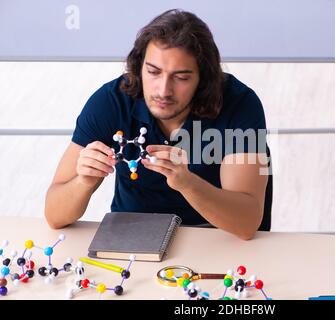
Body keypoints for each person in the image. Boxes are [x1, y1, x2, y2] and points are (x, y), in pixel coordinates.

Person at [44, 9, 270, 240]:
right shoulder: (111, 102)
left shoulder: (241, 104)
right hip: (132, 235)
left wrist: (188, 184)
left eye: (181, 77)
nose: (163, 90)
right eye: (153, 72)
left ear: (204, 78)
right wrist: (83, 181)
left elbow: (247, 222)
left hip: (217, 237)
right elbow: (54, 215)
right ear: (139, 67)